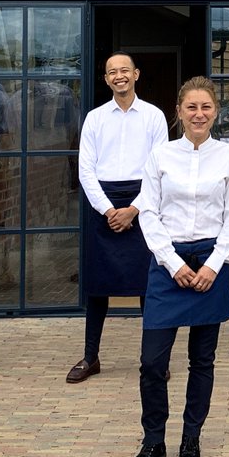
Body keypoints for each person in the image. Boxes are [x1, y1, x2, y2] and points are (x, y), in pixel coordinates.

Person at [127, 77, 229, 457]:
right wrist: (173, 263)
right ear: (178, 112)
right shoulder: (160, 156)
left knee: (202, 360)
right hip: (168, 263)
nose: (198, 114)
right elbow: (148, 212)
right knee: (151, 362)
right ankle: (153, 440)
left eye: (206, 107)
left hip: (211, 261)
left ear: (216, 112)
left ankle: (191, 439)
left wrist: (213, 265)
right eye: (191, 107)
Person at [71, 53, 169, 383]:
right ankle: (90, 357)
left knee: (148, 287)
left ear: (136, 74)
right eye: (112, 71)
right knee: (97, 289)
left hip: (142, 204)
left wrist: (134, 210)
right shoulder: (95, 118)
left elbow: (159, 170)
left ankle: (154, 361)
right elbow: (85, 170)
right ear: (106, 79)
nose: (119, 76)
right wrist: (109, 209)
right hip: (104, 205)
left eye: (124, 70)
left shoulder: (154, 117)